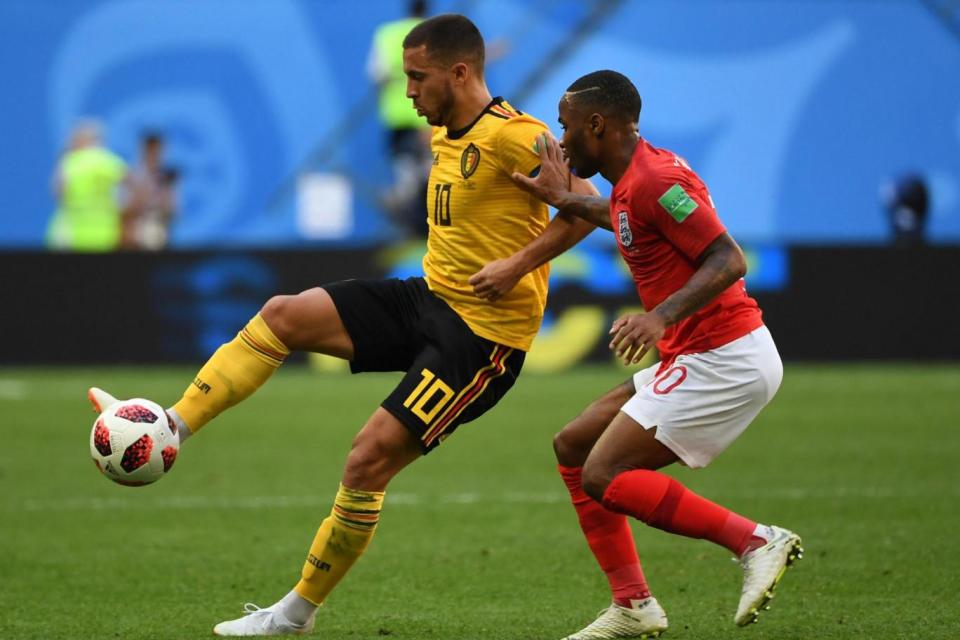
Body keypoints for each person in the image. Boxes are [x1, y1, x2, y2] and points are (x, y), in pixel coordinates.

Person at [87, 14, 595, 637]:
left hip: (482, 341)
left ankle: (294, 614)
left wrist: (517, 263)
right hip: (430, 298)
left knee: (366, 462)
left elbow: (583, 210)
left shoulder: (520, 137)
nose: (406, 91)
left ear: (459, 72)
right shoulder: (445, 131)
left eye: (417, 77)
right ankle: (172, 427)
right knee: (283, 314)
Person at [509, 70, 802, 639]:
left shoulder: (655, 178)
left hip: (725, 357)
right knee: (573, 446)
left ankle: (756, 540)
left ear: (598, 124)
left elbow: (728, 258)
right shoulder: (631, 181)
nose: (562, 142)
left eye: (567, 128)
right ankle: (633, 605)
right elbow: (619, 213)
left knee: (606, 472)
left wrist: (659, 316)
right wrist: (559, 198)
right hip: (697, 353)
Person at [367, 0, 433, 236]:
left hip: (396, 118)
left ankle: (406, 219)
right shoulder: (434, 33)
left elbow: (376, 74)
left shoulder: (387, 33)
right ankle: (423, 224)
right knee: (432, 172)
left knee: (405, 174)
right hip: (428, 118)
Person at [46, 119, 130, 251]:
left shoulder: (70, 162)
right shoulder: (109, 161)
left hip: (73, 234)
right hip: (105, 233)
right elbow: (131, 184)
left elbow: (57, 191)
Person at [126, 131, 179, 250]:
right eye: (150, 150)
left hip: (160, 235)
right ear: (143, 150)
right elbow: (125, 208)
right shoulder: (132, 175)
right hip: (135, 237)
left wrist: (165, 199)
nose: (154, 155)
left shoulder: (168, 177)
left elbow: (173, 211)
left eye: (157, 151)